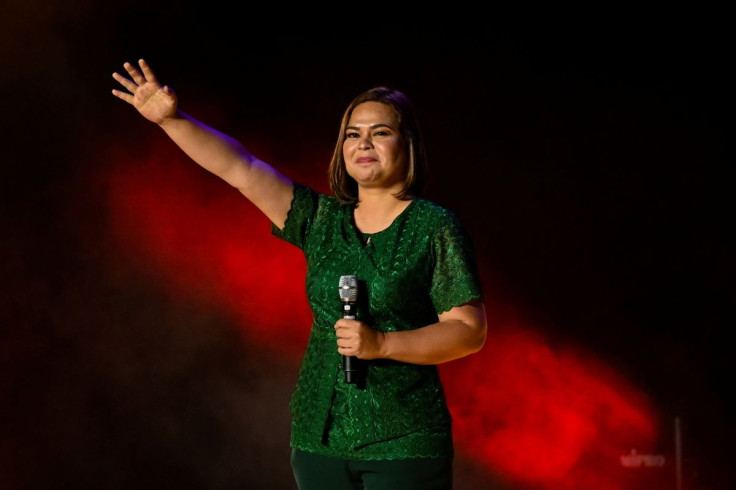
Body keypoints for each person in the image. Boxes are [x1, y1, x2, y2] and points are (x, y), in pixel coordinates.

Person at [112, 59, 488, 490]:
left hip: (403, 440)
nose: (363, 142)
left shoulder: (434, 226)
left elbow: (467, 330)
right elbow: (242, 168)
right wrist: (172, 121)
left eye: (380, 132)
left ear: (409, 143)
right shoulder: (322, 221)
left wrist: (383, 343)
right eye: (353, 133)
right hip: (318, 439)